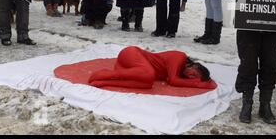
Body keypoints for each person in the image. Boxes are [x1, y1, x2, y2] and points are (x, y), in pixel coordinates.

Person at [88, 46, 217, 90]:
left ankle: (105, 81)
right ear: (195, 65)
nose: (190, 77)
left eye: (193, 78)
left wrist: (200, 81)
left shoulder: (179, 71)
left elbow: (172, 79)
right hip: (131, 53)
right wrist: (199, 83)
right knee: (149, 75)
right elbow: (173, 80)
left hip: (130, 67)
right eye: (193, 74)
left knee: (147, 83)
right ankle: (105, 74)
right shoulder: (180, 57)